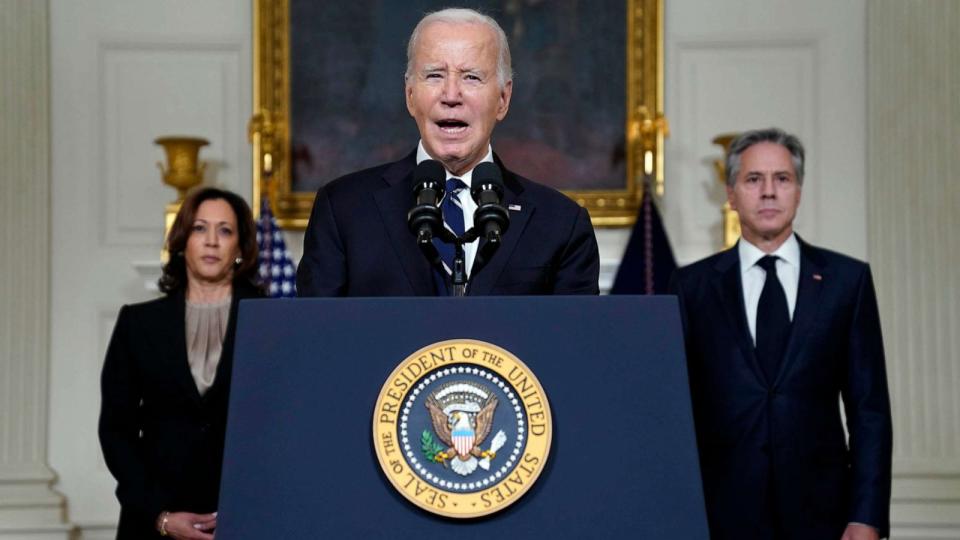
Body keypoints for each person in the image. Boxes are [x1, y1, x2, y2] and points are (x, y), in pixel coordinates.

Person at [670, 128, 892, 540]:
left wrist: (867, 517)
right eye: (754, 180)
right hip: (718, 519)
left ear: (799, 191)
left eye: (782, 179)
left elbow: (870, 413)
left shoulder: (847, 282)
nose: (768, 192)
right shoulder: (691, 287)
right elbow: (672, 411)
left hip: (823, 518)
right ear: (731, 194)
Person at [296, 8, 599, 297]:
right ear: (410, 96)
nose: (451, 96)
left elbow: (573, 344)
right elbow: (316, 339)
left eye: (471, 77)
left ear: (503, 99)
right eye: (434, 76)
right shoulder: (344, 210)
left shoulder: (561, 223)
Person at [99, 187, 264, 539]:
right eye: (199, 228)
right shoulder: (138, 323)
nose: (211, 241)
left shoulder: (270, 324)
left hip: (242, 517)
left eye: (225, 230)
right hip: (154, 519)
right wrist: (159, 515)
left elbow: (280, 425)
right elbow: (116, 431)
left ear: (240, 247)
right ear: (182, 240)